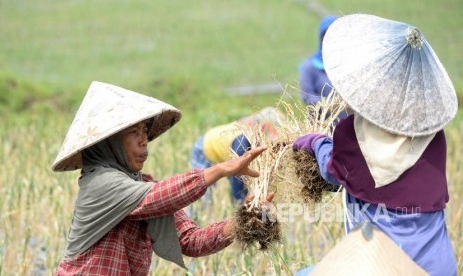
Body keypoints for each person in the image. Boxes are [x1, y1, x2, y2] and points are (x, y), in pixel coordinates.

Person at [293, 14, 457, 275]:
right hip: (436, 266)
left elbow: (331, 170)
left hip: (382, 265)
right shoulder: (433, 135)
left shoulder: (354, 134)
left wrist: (315, 142)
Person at [52, 81, 272, 275]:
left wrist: (244, 220)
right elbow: (156, 197)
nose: (144, 140)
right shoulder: (99, 184)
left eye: (144, 131)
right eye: (133, 133)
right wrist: (221, 169)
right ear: (110, 143)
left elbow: (191, 240)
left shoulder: (142, 186)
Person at [190, 107, 284, 207]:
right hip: (205, 147)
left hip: (222, 150)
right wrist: (240, 205)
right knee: (202, 195)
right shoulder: (242, 140)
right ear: (264, 127)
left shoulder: (253, 136)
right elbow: (236, 176)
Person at [298, 15, 337, 106]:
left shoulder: (347, 66)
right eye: (326, 36)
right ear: (321, 38)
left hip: (348, 119)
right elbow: (307, 95)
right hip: (322, 118)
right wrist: (329, 104)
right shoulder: (310, 67)